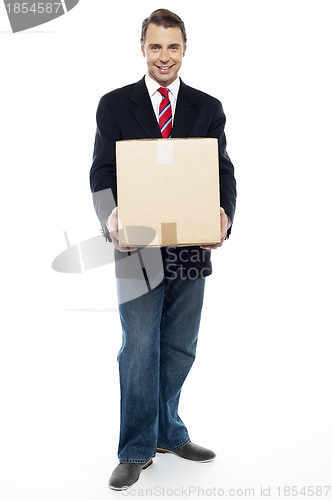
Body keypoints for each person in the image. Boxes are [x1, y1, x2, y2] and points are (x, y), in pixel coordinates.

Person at [90, 8, 236, 491]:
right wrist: (110, 216)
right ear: (143, 50)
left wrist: (225, 213)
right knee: (138, 347)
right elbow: (102, 174)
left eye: (173, 46)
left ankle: (167, 432)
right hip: (136, 246)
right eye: (156, 46)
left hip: (191, 243)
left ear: (184, 50)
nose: (164, 56)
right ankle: (135, 448)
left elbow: (223, 171)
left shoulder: (206, 106)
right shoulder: (115, 105)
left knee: (178, 346)